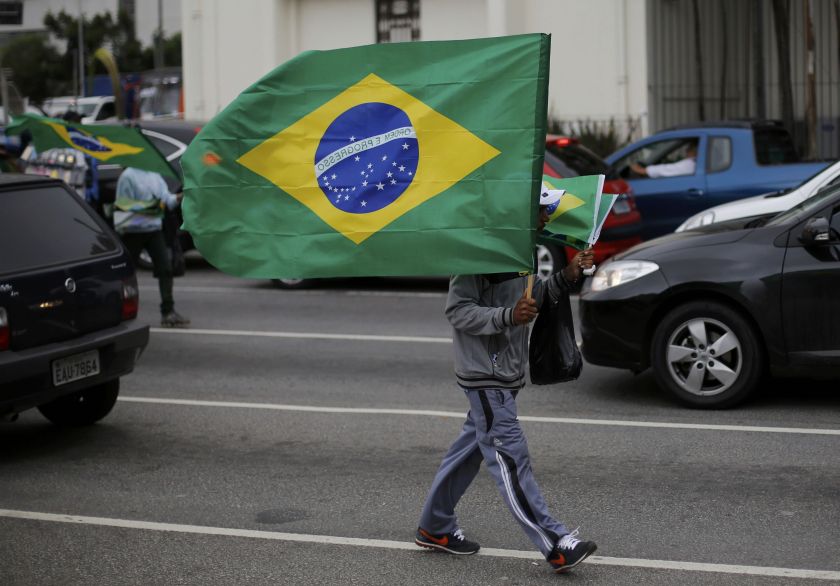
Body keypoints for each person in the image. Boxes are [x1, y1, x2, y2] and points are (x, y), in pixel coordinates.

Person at [414, 186, 597, 574]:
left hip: (505, 371)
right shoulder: (481, 252)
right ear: (517, 210)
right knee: (512, 460)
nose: (547, 217)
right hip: (486, 374)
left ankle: (434, 526)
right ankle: (555, 542)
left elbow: (528, 300)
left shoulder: (521, 248)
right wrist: (507, 317)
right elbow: (458, 310)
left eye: (548, 209)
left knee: (470, 451)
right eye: (542, 210)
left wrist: (566, 276)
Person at [114, 166, 190, 328]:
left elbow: (167, 201)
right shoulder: (128, 176)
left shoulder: (154, 174)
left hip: (154, 230)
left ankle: (168, 312)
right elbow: (123, 206)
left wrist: (183, 196)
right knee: (125, 274)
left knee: (166, 269)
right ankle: (118, 311)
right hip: (132, 233)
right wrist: (152, 207)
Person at [630, 140, 697, 178]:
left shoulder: (692, 164)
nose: (686, 150)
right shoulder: (697, 163)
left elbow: (669, 169)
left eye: (690, 148)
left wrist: (644, 170)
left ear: (697, 150)